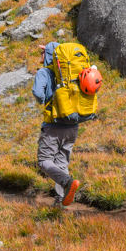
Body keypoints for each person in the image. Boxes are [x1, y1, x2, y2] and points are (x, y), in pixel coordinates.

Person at [32, 41, 81, 207]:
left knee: (44, 161)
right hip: (73, 125)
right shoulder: (71, 73)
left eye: (43, 52)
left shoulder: (44, 72)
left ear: (49, 55)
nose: (41, 56)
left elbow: (38, 93)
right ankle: (61, 201)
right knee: (61, 162)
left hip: (53, 126)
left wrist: (45, 100)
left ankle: (67, 182)